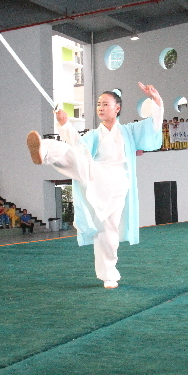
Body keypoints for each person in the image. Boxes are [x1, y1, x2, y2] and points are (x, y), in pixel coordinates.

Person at [26, 82, 163, 289]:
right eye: (99, 104)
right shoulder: (93, 135)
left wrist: (156, 100)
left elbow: (153, 125)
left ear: (117, 108)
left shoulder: (129, 131)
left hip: (117, 183)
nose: (100, 108)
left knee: (108, 231)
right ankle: (44, 151)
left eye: (105, 104)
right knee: (76, 157)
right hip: (96, 174)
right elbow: (77, 146)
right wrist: (64, 124)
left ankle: (109, 275)